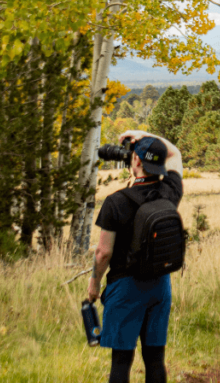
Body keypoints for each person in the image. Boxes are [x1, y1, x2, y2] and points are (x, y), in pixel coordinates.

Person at [88, 130, 183, 383]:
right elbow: (175, 152)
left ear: (137, 162)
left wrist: (94, 285)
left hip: (125, 287)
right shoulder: (170, 191)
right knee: (154, 359)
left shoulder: (115, 202)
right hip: (160, 285)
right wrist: (145, 136)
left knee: (122, 361)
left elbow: (103, 252)